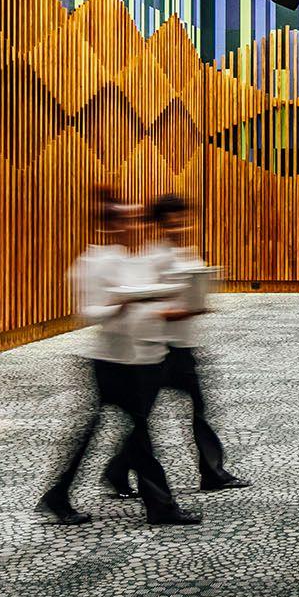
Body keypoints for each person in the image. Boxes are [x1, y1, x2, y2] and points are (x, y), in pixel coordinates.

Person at [37, 190, 198, 526]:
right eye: (130, 220)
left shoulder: (133, 259)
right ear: (111, 225)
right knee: (136, 434)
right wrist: (120, 306)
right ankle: (160, 507)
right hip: (112, 363)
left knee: (112, 434)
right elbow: (88, 312)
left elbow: (153, 296)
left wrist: (166, 308)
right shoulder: (92, 263)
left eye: (138, 219)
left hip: (138, 359)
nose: (138, 225)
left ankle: (58, 494)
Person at [104, 192, 247, 496]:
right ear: (158, 225)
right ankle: (118, 471)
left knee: (197, 408)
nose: (178, 229)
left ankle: (211, 472)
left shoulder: (187, 253)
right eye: (171, 225)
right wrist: (184, 310)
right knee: (143, 417)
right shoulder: (153, 258)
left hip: (183, 346)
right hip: (160, 347)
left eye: (182, 223)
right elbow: (146, 305)